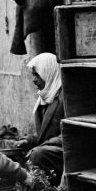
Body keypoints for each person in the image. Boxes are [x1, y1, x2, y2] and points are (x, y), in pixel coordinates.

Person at [19, 53, 64, 181]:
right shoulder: (44, 99)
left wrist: (43, 145)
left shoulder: (65, 98)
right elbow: (44, 133)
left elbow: (71, 134)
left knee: (38, 154)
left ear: (48, 73)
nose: (34, 80)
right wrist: (28, 140)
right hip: (50, 148)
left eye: (37, 75)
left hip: (67, 151)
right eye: (34, 75)